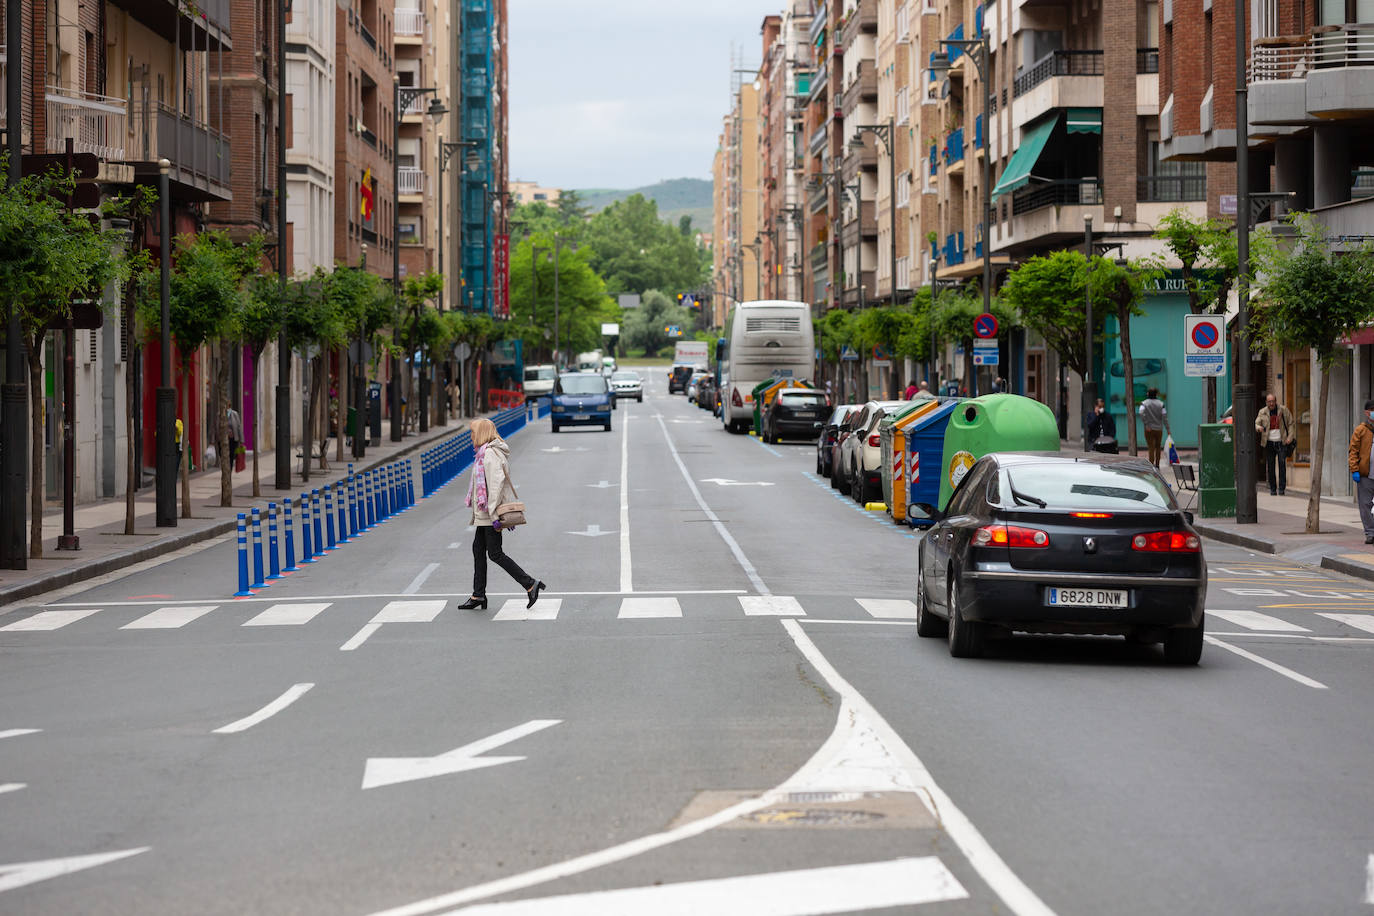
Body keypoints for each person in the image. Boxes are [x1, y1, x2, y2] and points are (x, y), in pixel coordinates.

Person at [459, 418, 546, 610]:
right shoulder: (484, 454)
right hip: (486, 514)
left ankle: (530, 584)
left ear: (481, 433)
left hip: (490, 514)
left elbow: (496, 487)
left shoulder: (490, 455)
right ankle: (478, 595)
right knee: (478, 550)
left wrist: (493, 516)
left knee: (495, 554)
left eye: (473, 433)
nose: (471, 436)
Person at [1254, 392, 1295, 496]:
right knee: (1271, 467)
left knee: (1282, 465)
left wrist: (1290, 437)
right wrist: (1258, 428)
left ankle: (1281, 488)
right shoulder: (1262, 412)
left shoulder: (1283, 410)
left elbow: (1291, 423)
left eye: (1273, 401)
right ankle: (1273, 489)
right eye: (1269, 401)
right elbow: (1256, 423)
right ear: (1266, 402)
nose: (1271, 403)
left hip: (1281, 442)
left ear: (1276, 401)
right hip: (1269, 443)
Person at [1348, 399, 1374, 544]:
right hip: (1365, 475)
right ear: (1366, 412)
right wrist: (1355, 470)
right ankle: (1370, 533)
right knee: (1365, 505)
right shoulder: (1361, 430)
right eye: (1372, 409)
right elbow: (1353, 451)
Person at [1137, 388, 1170, 468]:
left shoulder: (1144, 403)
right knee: (1158, 447)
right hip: (1159, 429)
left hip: (1149, 429)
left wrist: (1146, 424)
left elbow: (1141, 412)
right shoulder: (1161, 404)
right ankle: (1157, 464)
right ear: (1156, 394)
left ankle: (1151, 464)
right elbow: (1164, 417)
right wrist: (1168, 429)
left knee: (1151, 447)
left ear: (1148, 394)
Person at [225, 405, 243, 471]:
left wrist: (241, 440)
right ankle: (225, 469)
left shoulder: (235, 414)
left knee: (231, 455)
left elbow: (238, 427)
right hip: (223, 439)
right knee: (223, 455)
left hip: (232, 439)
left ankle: (229, 469)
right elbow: (215, 426)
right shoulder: (220, 414)